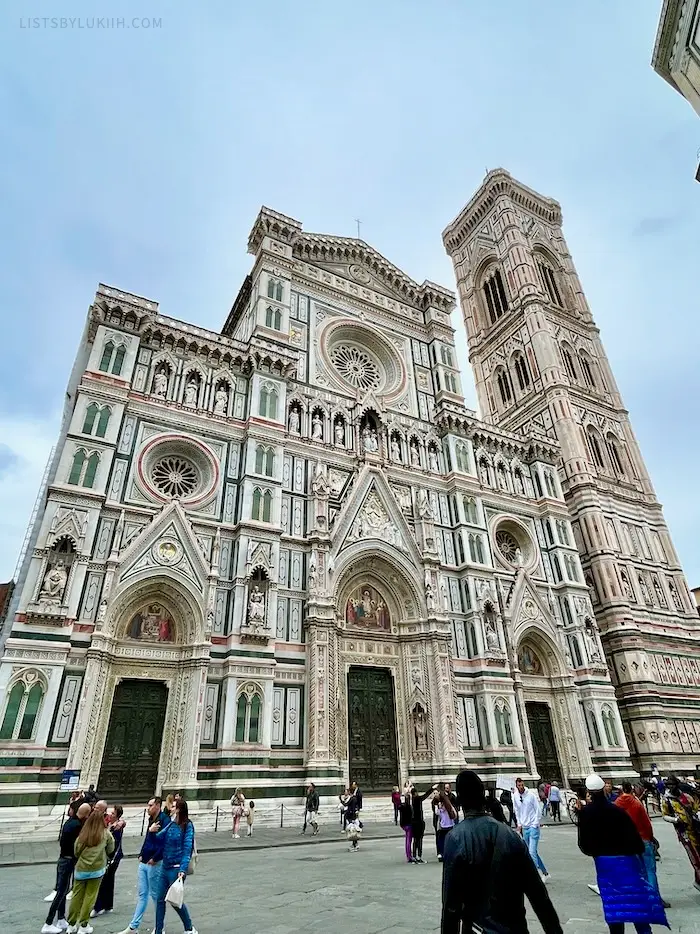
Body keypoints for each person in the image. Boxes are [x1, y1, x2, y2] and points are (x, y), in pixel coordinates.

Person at [441, 770, 563, 934]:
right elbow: (538, 895)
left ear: (460, 800)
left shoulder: (455, 838)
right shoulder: (511, 835)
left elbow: (451, 906)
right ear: (483, 796)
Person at [578, 774, 668, 934]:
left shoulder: (586, 813)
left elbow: (584, 845)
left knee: (614, 906)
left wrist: (597, 853)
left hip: (605, 865)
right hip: (627, 862)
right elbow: (636, 841)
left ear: (589, 792)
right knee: (636, 902)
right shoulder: (617, 811)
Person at [117, 797, 171, 934]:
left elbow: (164, 842)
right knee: (142, 895)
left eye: (151, 805)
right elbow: (148, 838)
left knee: (156, 896)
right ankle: (133, 926)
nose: (148, 808)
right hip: (144, 861)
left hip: (155, 863)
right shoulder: (151, 819)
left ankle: (160, 927)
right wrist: (141, 853)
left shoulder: (165, 820)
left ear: (158, 805)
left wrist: (155, 858)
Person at [615, 781, 669, 908]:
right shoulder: (636, 803)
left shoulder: (617, 804)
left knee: (637, 871)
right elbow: (646, 824)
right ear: (633, 790)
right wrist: (650, 838)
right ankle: (655, 899)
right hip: (643, 839)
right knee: (650, 870)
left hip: (627, 842)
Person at [41, 802, 89, 933]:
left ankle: (61, 919)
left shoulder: (70, 822)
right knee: (61, 891)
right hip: (68, 860)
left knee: (64, 889)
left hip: (63, 859)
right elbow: (77, 845)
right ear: (86, 814)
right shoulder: (78, 825)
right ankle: (48, 923)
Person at [152, 797, 197, 934]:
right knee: (160, 900)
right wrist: (152, 831)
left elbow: (187, 848)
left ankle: (189, 927)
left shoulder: (187, 825)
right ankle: (159, 930)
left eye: (173, 806)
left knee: (175, 900)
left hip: (177, 868)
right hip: (165, 867)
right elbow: (159, 838)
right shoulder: (171, 823)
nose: (170, 807)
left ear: (178, 809)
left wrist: (183, 869)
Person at [66, 808, 115, 934]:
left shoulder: (83, 833)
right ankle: (83, 925)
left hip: (82, 868)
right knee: (90, 897)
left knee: (76, 896)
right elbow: (111, 849)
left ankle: (71, 924)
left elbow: (76, 851)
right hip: (97, 869)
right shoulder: (105, 834)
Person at [662, 776, 700, 891]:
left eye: (673, 784)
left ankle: (698, 881)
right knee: (695, 858)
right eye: (669, 785)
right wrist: (675, 820)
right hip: (684, 833)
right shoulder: (667, 799)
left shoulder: (686, 796)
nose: (671, 787)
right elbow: (664, 815)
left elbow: (696, 808)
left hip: (696, 829)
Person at [513, 777, 550, 880]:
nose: (521, 787)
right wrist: (519, 824)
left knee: (531, 852)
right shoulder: (515, 796)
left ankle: (534, 877)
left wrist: (535, 823)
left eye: (522, 785)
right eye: (518, 785)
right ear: (516, 786)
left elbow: (537, 809)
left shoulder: (531, 795)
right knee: (532, 852)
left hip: (533, 827)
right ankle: (545, 873)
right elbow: (517, 810)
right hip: (524, 828)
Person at [92, 804, 126, 916]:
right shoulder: (110, 823)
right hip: (110, 856)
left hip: (113, 857)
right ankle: (108, 905)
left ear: (117, 816)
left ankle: (98, 907)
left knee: (104, 880)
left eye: (113, 813)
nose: (110, 815)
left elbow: (114, 844)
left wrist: (122, 823)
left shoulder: (117, 827)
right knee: (109, 880)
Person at [411, 784, 437, 863]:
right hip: (419, 822)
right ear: (415, 793)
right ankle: (418, 856)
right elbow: (425, 796)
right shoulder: (417, 799)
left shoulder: (413, 799)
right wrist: (432, 788)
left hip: (414, 822)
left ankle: (415, 856)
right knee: (419, 840)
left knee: (415, 840)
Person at [436, 788, 457, 861]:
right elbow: (454, 815)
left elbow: (437, 813)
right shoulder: (448, 805)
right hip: (448, 825)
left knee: (442, 840)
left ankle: (442, 854)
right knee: (448, 840)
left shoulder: (442, 806)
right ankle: (448, 854)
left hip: (444, 825)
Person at [399, 790, 414, 863]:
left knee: (407, 840)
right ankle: (409, 856)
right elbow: (412, 815)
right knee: (408, 840)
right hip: (408, 824)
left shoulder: (402, 806)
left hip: (403, 824)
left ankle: (408, 855)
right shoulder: (409, 807)